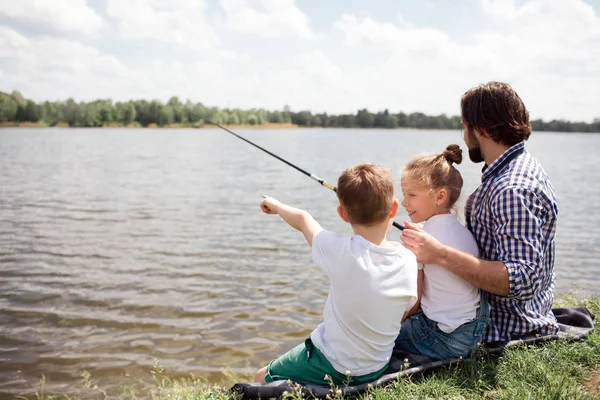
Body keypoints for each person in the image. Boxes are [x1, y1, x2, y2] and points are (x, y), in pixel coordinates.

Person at [401, 81, 559, 343]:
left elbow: (522, 279)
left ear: (482, 129)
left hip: (502, 326)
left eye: (465, 126)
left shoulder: (512, 188)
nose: (464, 135)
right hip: (486, 315)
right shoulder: (516, 169)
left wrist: (440, 254)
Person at [254, 163, 418, 385]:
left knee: (261, 377)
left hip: (334, 364)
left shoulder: (339, 250)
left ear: (342, 214)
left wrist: (276, 205)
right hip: (376, 366)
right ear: (393, 208)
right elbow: (407, 307)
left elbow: (303, 219)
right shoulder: (408, 259)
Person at [394, 144, 490, 359]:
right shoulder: (465, 231)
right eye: (403, 194)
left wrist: (391, 325)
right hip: (474, 332)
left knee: (377, 334)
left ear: (440, 196)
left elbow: (412, 303)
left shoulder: (421, 240)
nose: (404, 202)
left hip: (444, 339)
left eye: (411, 195)